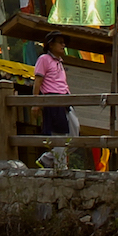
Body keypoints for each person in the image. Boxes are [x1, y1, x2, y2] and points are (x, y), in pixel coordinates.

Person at [35, 35, 71, 169]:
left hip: (65, 100)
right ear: (51, 44)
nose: (63, 45)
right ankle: (60, 166)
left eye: (64, 43)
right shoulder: (44, 59)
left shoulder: (59, 62)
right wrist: (36, 103)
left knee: (74, 130)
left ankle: (48, 158)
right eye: (60, 43)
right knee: (60, 134)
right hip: (53, 99)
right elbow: (38, 81)